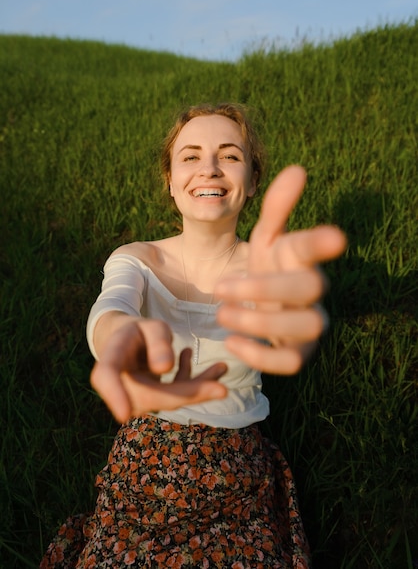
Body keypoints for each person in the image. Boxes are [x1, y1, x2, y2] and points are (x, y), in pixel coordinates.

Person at [40, 103, 346, 568]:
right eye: (190, 156)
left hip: (237, 472)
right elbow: (112, 308)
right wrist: (120, 341)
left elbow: (287, 328)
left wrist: (292, 332)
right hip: (145, 464)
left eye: (229, 155)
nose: (209, 168)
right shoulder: (137, 257)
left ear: (254, 179)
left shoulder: (269, 269)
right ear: (169, 178)